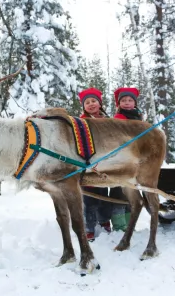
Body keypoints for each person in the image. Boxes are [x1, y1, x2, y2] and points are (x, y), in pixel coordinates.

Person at [78, 88, 112, 241]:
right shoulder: (80, 122)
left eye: (93, 101)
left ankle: (105, 221)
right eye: (87, 102)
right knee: (88, 197)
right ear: (83, 106)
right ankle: (89, 227)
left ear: (100, 103)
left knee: (104, 195)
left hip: (105, 162)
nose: (91, 104)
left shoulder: (107, 120)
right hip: (87, 163)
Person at [108, 87, 143, 231]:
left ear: (134, 103)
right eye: (123, 100)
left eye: (130, 100)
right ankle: (118, 224)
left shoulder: (138, 117)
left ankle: (128, 223)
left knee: (131, 191)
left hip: (133, 160)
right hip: (119, 160)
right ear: (119, 103)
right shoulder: (119, 118)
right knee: (118, 192)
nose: (127, 103)